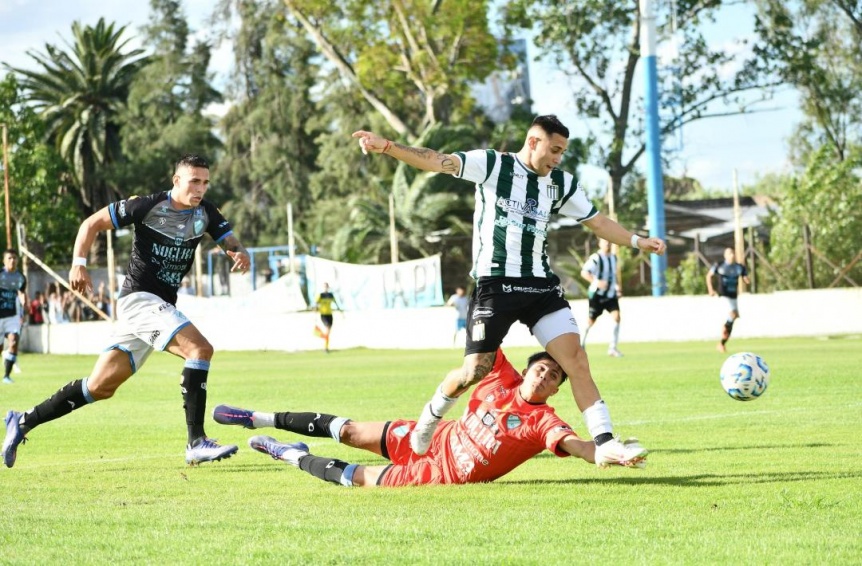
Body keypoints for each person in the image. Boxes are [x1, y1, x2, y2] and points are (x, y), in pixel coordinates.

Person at [352, 115, 666, 458]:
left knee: (576, 359)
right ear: (533, 141)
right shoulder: (491, 165)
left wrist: (638, 240)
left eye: (562, 152)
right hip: (495, 286)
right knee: (475, 370)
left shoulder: (560, 183)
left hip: (540, 288)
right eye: (555, 150)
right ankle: (430, 417)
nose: (558, 158)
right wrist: (387, 147)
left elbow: (598, 222)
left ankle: (606, 443)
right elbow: (436, 160)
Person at [1, 154, 251, 469]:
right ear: (176, 181)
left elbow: (230, 240)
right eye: (194, 181)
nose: (200, 188)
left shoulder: (207, 213)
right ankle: (196, 442)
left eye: (205, 181)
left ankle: (21, 421)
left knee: (99, 386)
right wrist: (79, 264)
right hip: (140, 300)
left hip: (159, 307)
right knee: (199, 349)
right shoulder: (146, 206)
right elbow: (91, 223)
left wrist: (239, 253)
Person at [212, 350, 647, 487]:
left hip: (438, 473)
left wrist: (611, 453)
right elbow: (483, 343)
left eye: (554, 376)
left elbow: (578, 446)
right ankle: (259, 417)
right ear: (529, 370)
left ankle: (284, 452)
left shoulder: (544, 422)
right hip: (431, 437)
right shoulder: (500, 378)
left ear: (556, 390)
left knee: (356, 480)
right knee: (348, 431)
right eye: (541, 368)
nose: (545, 376)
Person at [580, 238, 624, 357]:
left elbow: (612, 276)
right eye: (605, 242)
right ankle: (581, 345)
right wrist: (597, 282)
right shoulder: (596, 258)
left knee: (617, 317)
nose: (608, 244)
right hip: (597, 295)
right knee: (591, 321)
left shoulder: (613, 258)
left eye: (609, 242)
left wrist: (617, 287)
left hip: (610, 296)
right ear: (599, 243)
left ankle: (613, 348)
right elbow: (584, 272)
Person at [706, 247, 750, 353]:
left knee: (734, 317)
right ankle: (725, 326)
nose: (732, 255)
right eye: (730, 253)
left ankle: (722, 343)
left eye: (733, 253)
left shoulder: (739, 267)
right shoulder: (719, 265)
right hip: (723, 295)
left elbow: (745, 277)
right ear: (725, 256)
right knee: (733, 314)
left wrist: (747, 280)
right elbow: (709, 276)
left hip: (734, 296)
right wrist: (711, 290)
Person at [0, 250, 27, 384]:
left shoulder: (21, 277)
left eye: (15, 258)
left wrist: (24, 302)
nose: (13, 260)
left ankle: (6, 376)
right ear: (4, 261)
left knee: (14, 341)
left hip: (12, 316)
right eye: (9, 258)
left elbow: (21, 292)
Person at [313, 282, 340, 353]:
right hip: (323, 315)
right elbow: (316, 304)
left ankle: (326, 346)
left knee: (328, 332)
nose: (326, 288)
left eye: (327, 286)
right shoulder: (321, 295)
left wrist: (341, 312)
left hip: (330, 315)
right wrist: (315, 313)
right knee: (327, 329)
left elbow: (336, 303)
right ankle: (325, 348)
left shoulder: (331, 295)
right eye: (324, 286)